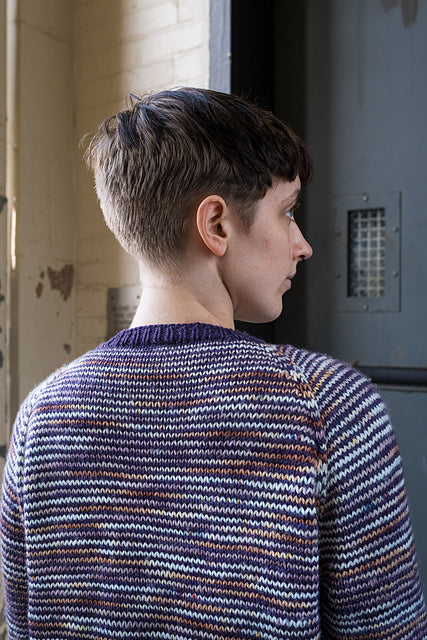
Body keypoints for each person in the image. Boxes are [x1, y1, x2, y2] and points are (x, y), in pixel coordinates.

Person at [1, 87, 426, 640]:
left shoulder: (41, 419)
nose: (302, 245)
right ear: (217, 225)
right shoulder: (327, 407)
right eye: (287, 212)